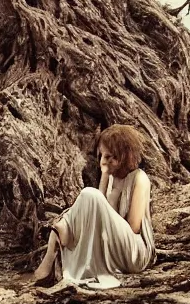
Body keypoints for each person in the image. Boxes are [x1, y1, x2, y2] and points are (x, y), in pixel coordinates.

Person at [29, 124, 156, 289]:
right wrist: (104, 176)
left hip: (134, 252)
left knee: (90, 195)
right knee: (90, 196)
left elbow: (134, 227)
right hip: (110, 246)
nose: (103, 161)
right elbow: (97, 214)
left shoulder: (139, 178)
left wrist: (100, 206)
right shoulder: (111, 176)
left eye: (110, 156)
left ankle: (61, 232)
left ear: (124, 155)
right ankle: (58, 238)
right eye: (102, 155)